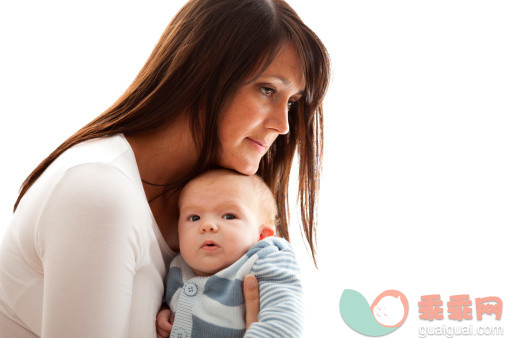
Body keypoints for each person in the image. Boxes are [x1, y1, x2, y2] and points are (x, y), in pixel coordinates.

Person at [0, 0, 329, 336]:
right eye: (268, 89)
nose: (283, 125)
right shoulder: (99, 193)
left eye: (290, 102)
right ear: (202, 73)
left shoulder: (205, 215)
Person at [159, 169, 303, 338]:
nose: (207, 225)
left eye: (228, 216)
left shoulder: (266, 260)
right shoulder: (178, 265)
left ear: (261, 236)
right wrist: (166, 311)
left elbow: (282, 323)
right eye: (194, 218)